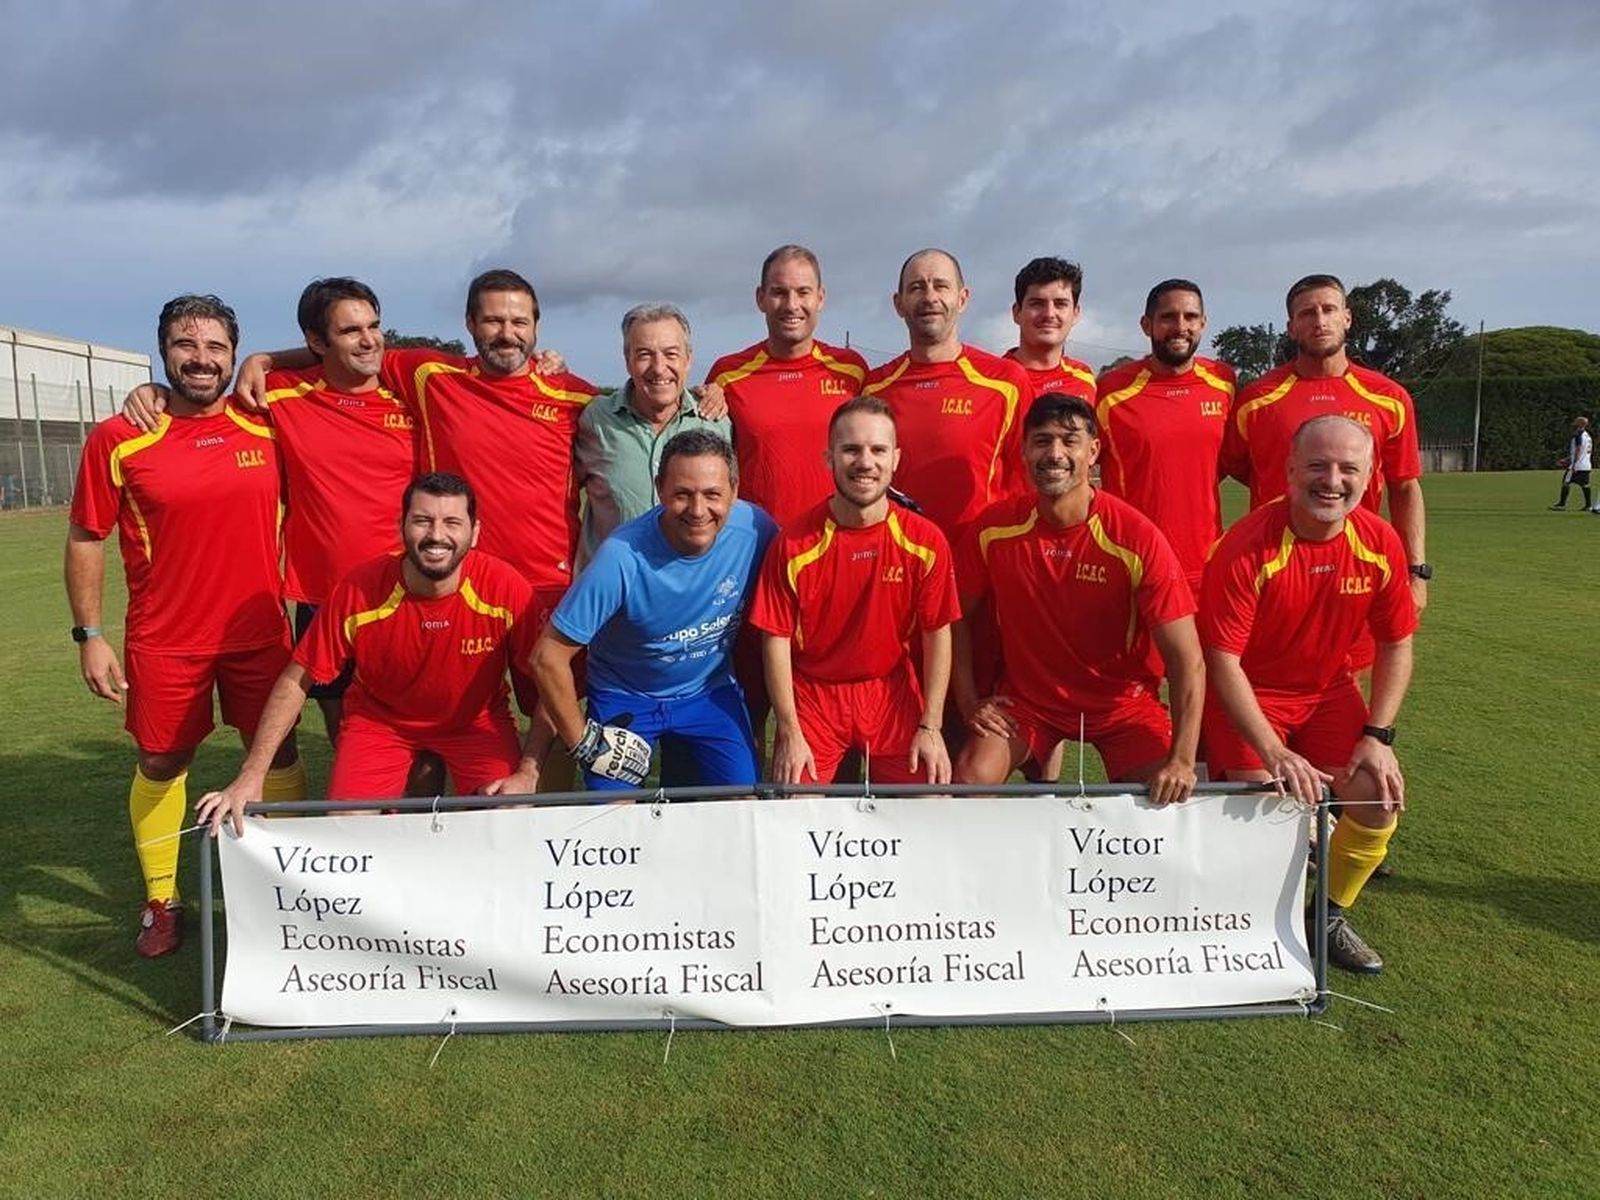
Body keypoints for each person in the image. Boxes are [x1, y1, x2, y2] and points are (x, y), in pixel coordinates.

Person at [66, 294, 304, 956]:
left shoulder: (267, 422)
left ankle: (282, 887)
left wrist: (267, 357)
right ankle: (162, 900)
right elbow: (87, 536)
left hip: (260, 632)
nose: (200, 358)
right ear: (162, 350)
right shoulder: (119, 437)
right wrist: (89, 635)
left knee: (277, 754)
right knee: (163, 758)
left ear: (234, 354)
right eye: (184, 344)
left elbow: (341, 351)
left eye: (216, 347)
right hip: (165, 639)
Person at [197, 473, 545, 835]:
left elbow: (552, 682)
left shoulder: (506, 588)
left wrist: (528, 771)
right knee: (346, 828)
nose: (436, 535)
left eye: (452, 523)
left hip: (475, 723)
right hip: (382, 725)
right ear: (402, 526)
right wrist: (253, 774)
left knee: (511, 813)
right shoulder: (359, 589)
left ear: (474, 533)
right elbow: (297, 678)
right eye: (422, 521)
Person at [1200, 415, 1418, 974]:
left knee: (1378, 791)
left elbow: (1397, 643)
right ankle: (1241, 924)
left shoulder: (1378, 541)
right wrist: (1274, 751)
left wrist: (1378, 736)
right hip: (1249, 694)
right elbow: (1222, 661)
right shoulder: (1246, 546)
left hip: (1327, 693)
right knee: (1261, 810)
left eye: (1349, 468)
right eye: (1318, 465)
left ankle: (1326, 916)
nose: (1332, 480)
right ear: (1290, 471)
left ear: (1369, 476)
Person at [951, 394, 1203, 803]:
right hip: (1030, 703)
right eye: (1042, 441)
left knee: (1170, 798)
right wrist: (968, 701)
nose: (1055, 453)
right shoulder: (994, 529)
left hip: (1122, 707)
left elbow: (1187, 659)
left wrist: (1184, 760)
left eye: (1069, 440)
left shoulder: (1135, 537)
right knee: (971, 779)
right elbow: (953, 615)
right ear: (1025, 451)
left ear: (1093, 452)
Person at [532, 431, 777, 792]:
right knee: (612, 817)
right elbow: (546, 657)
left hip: (707, 693)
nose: (698, 510)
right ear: (659, 488)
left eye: (712, 494)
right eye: (682, 494)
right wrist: (583, 742)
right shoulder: (620, 557)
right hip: (626, 694)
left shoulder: (756, 529)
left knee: (740, 804)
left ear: (734, 491)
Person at [750, 396, 960, 785]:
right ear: (829, 459)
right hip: (814, 696)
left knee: (933, 802)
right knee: (793, 807)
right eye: (851, 450)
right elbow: (774, 639)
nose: (865, 462)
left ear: (895, 459)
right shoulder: (794, 543)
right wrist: (790, 731)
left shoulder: (925, 540)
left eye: (878, 450)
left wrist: (931, 726)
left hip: (890, 691)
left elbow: (937, 632)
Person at [1224, 274, 1430, 622]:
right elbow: (1242, 467)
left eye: (1328, 309)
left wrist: (1417, 573)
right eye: (1307, 314)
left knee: (1356, 670)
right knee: (1265, 671)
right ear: (1291, 327)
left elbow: (1405, 486)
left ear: (1347, 318)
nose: (1319, 321)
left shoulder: (1389, 398)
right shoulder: (1256, 400)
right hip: (1274, 564)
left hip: (1357, 566)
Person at [863, 248, 1034, 534]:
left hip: (980, 563)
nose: (930, 297)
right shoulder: (875, 388)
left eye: (941, 286)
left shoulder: (1006, 382)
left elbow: (1029, 480)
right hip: (900, 561)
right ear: (899, 303)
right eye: (917, 287)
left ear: (963, 298)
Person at [706, 245, 869, 530]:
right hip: (757, 544)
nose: (792, 305)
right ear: (761, 298)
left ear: (820, 298)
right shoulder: (727, 375)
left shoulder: (852, 370)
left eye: (803, 292)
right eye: (779, 292)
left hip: (836, 540)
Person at [1093, 279, 1238, 594]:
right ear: (1147, 325)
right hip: (1132, 565)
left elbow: (1224, 459)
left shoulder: (1223, 382)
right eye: (1168, 317)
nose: (1180, 326)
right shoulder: (1110, 391)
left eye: (1190, 317)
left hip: (1206, 564)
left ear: (1203, 323)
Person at [576, 304, 732, 563]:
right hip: (614, 595)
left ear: (688, 359)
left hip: (691, 590)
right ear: (627, 360)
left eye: (671, 354)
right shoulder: (595, 420)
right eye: (644, 355)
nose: (659, 368)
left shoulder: (716, 421)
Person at [1004, 256, 1097, 403]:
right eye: (1037, 304)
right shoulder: (992, 381)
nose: (1049, 314)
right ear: (1017, 313)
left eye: (1060, 304)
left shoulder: (1085, 379)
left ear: (1075, 313)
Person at [1551, 415, 1592, 511]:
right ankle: (1588, 505)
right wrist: (1566, 459)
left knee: (1566, 482)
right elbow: (1583, 451)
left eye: (1576, 422)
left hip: (1577, 465)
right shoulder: (1588, 436)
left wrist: (1573, 464)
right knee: (1585, 485)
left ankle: (1562, 505)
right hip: (1586, 465)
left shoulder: (1578, 435)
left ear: (1580, 424)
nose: (1574, 424)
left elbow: (1578, 450)